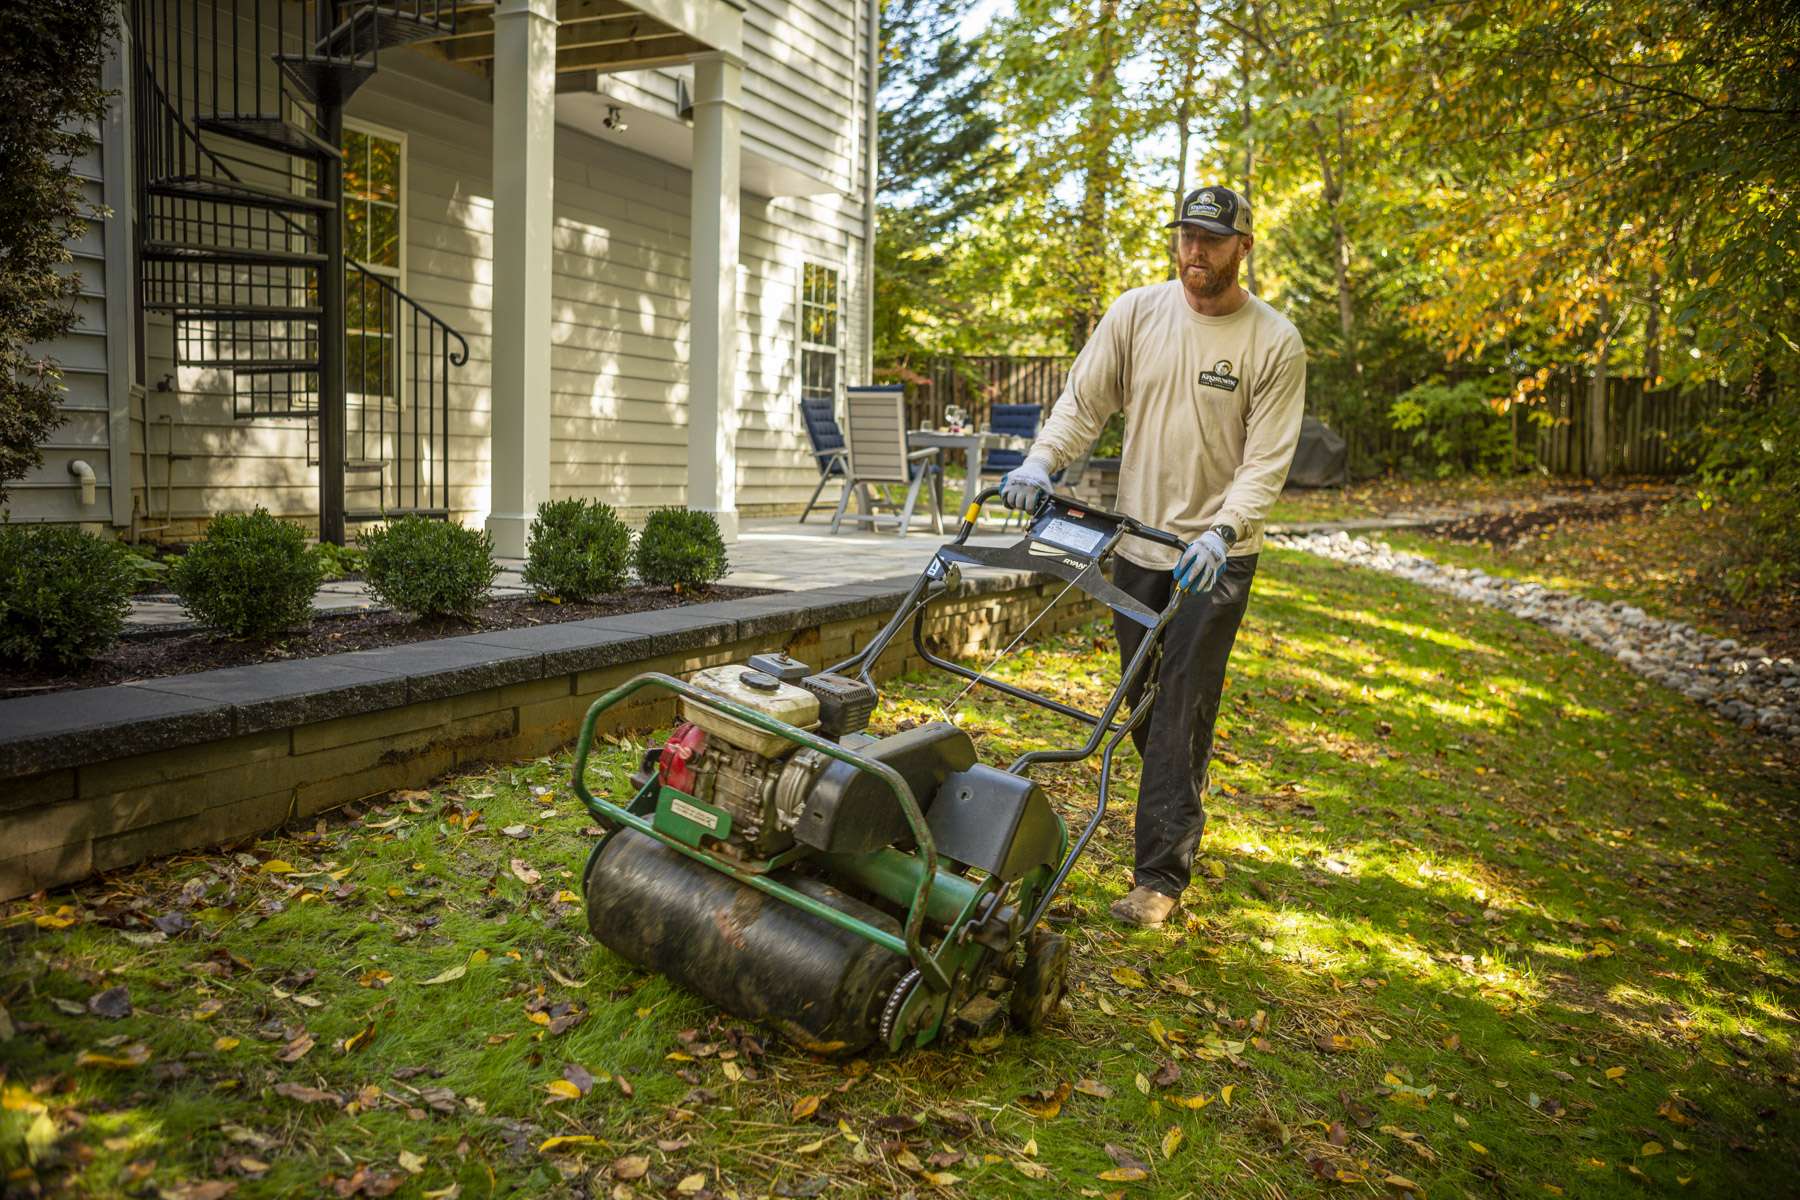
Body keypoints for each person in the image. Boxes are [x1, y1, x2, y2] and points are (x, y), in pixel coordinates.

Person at [1000, 184, 1307, 928]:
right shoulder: (1137, 312)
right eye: (1186, 236)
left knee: (1181, 705)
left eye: (1212, 239)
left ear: (1243, 247)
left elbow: (1266, 461)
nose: (1194, 251)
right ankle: (1178, 798)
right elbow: (1084, 403)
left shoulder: (1273, 341)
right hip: (1140, 541)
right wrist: (1042, 461)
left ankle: (1159, 878)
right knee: (1143, 701)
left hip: (1215, 556)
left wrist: (1225, 531)